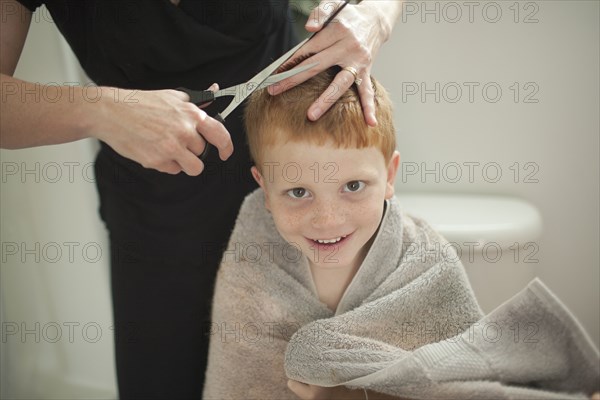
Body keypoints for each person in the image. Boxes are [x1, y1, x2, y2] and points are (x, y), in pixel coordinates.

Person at [0, 0, 404, 398]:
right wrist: (101, 109)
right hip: (159, 214)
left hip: (297, 180)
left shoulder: (340, 221)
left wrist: (376, 15)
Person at [202, 67, 600, 400]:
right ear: (265, 190)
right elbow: (239, 379)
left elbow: (455, 382)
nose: (327, 220)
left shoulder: (427, 265)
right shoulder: (252, 260)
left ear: (389, 177)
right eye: (298, 192)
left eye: (353, 187)